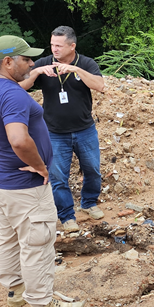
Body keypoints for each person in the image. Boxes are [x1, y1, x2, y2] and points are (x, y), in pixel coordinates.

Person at [0, 35, 84, 307]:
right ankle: (42, 305)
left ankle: (15, 290)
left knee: (9, 235)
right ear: (8, 62)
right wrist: (40, 166)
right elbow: (18, 139)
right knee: (38, 240)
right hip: (25, 185)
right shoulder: (11, 95)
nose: (32, 63)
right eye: (26, 59)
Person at [20, 25, 106, 232]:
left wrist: (76, 70)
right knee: (58, 177)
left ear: (72, 46)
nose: (54, 49)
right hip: (54, 132)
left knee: (93, 170)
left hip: (85, 129)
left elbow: (100, 85)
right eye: (52, 45)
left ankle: (89, 203)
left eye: (59, 45)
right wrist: (37, 72)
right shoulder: (43, 63)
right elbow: (20, 86)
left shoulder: (85, 63)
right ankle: (67, 215)